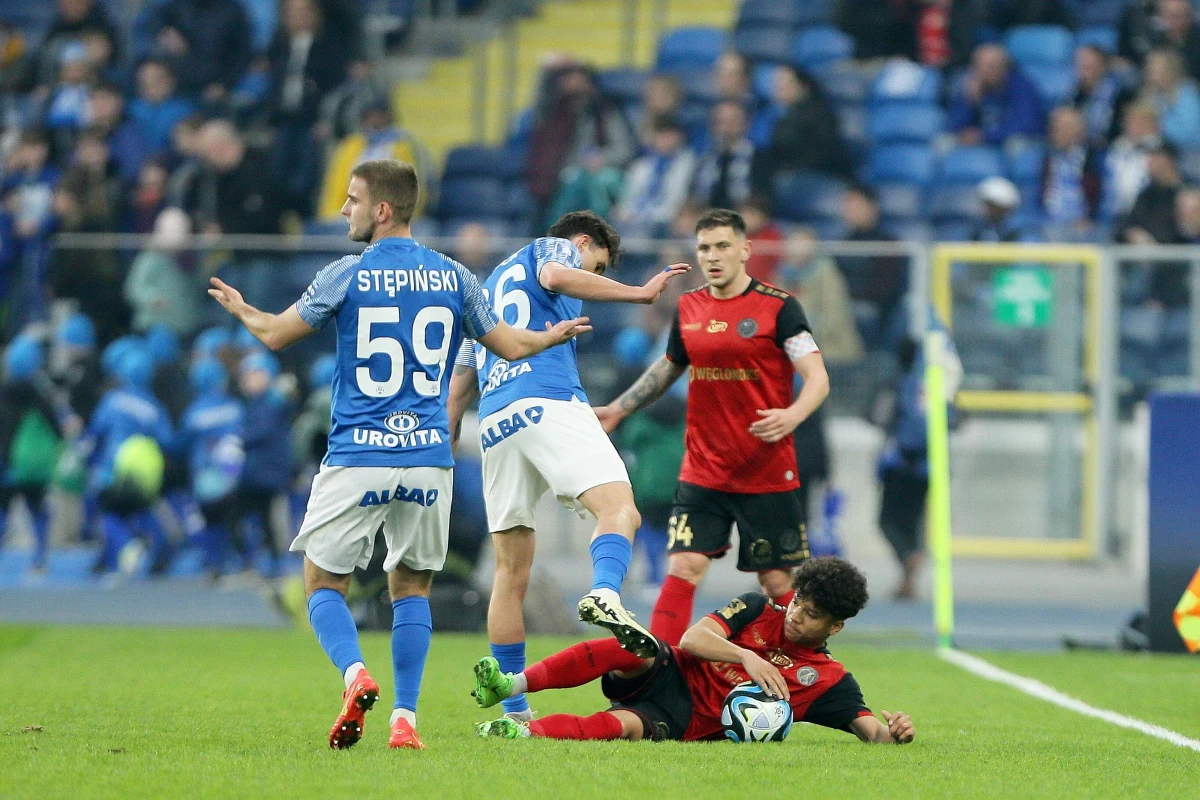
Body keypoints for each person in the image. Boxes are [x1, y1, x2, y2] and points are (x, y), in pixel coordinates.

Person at [206, 158, 591, 751]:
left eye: (353, 199)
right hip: (429, 457)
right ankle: (405, 719)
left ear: (382, 209)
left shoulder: (348, 274)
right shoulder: (456, 278)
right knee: (411, 589)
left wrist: (243, 311)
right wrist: (552, 335)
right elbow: (511, 346)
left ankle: (356, 675)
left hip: (359, 451)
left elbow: (277, 334)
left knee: (322, 585)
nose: (343, 209)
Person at [445, 210, 689, 722]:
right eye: (597, 266)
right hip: (548, 398)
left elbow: (461, 384)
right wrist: (639, 293)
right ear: (582, 242)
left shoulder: (486, 293)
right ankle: (604, 592)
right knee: (620, 509)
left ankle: (514, 713)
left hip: (495, 422)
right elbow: (557, 275)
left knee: (511, 571)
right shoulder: (547, 249)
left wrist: (446, 447)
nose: (594, 279)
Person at [595, 209, 830, 646]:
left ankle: (802, 671)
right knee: (683, 566)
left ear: (745, 250)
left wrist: (793, 415)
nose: (712, 256)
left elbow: (817, 376)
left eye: (723, 246)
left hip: (765, 470)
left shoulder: (780, 308)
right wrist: (619, 409)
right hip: (704, 468)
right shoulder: (689, 307)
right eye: (704, 248)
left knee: (777, 581)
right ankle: (660, 675)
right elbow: (669, 368)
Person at [471, 557, 916, 745]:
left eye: (812, 613)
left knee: (621, 725)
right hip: (674, 669)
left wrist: (894, 733)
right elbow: (692, 639)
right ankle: (510, 685)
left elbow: (870, 732)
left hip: (687, 719)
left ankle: (522, 733)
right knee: (631, 650)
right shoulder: (759, 607)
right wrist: (746, 655)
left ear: (834, 626)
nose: (796, 614)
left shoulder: (829, 681)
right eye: (798, 601)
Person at [876, 329, 961, 600]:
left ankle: (907, 557)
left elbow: (879, 415)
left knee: (887, 521)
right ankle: (908, 573)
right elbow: (956, 419)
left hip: (901, 465)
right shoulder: (938, 385)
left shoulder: (901, 384)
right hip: (929, 467)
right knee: (914, 521)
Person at [0, 335, 64, 574]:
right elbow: (57, 430)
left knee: (3, 509)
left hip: (5, 463)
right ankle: (39, 557)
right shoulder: (41, 396)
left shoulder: (3, 392)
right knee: (37, 509)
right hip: (33, 466)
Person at [180, 358, 244, 581]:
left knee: (209, 520)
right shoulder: (235, 408)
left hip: (203, 475)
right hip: (232, 474)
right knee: (236, 518)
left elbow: (181, 443)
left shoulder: (194, 412)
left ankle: (212, 562)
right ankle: (241, 561)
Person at [234, 350, 293, 576]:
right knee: (252, 517)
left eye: (253, 374)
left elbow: (259, 433)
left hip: (270, 474)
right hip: (254, 474)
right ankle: (255, 558)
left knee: (271, 519)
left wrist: (239, 438)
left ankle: (276, 559)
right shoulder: (254, 403)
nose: (247, 380)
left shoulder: (272, 402)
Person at [948, 43, 1046, 148]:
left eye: (990, 67)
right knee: (944, 142)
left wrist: (984, 136)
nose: (983, 72)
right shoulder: (971, 86)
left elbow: (1024, 125)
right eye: (978, 66)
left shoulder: (1022, 87)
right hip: (982, 139)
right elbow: (954, 125)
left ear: (1004, 69)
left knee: (1016, 144)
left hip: (1007, 140)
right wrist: (969, 101)